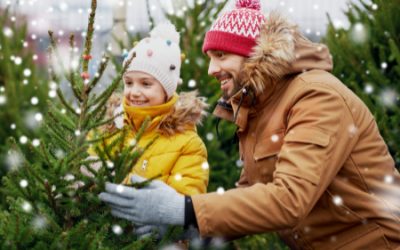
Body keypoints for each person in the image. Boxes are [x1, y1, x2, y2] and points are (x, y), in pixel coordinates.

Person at [99, 0, 400, 249]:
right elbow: (252, 192)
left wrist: (184, 210)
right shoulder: (260, 106)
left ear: (254, 56)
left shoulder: (317, 97)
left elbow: (288, 199)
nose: (211, 69)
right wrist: (195, 233)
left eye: (220, 56)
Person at [94, 22, 209, 239]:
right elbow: (87, 171)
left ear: (167, 89)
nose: (134, 92)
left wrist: (166, 227)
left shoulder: (188, 144)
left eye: (146, 84)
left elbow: (187, 203)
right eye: (128, 82)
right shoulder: (108, 128)